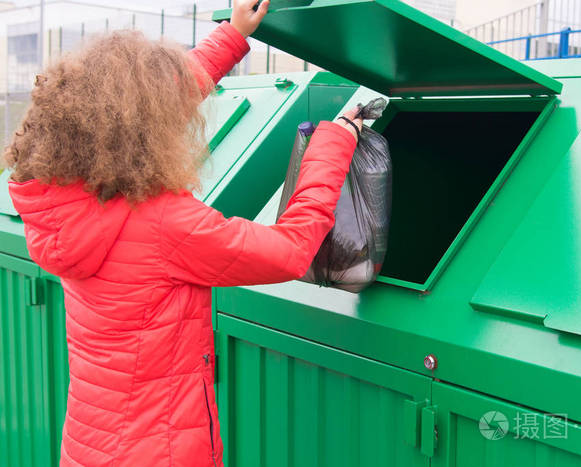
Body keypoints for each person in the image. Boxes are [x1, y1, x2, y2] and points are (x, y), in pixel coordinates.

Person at [3, 0, 363, 465]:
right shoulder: (162, 225)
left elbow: (143, 106)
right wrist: (336, 141)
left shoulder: (67, 198)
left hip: (90, 447)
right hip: (161, 451)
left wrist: (232, 36)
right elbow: (291, 250)